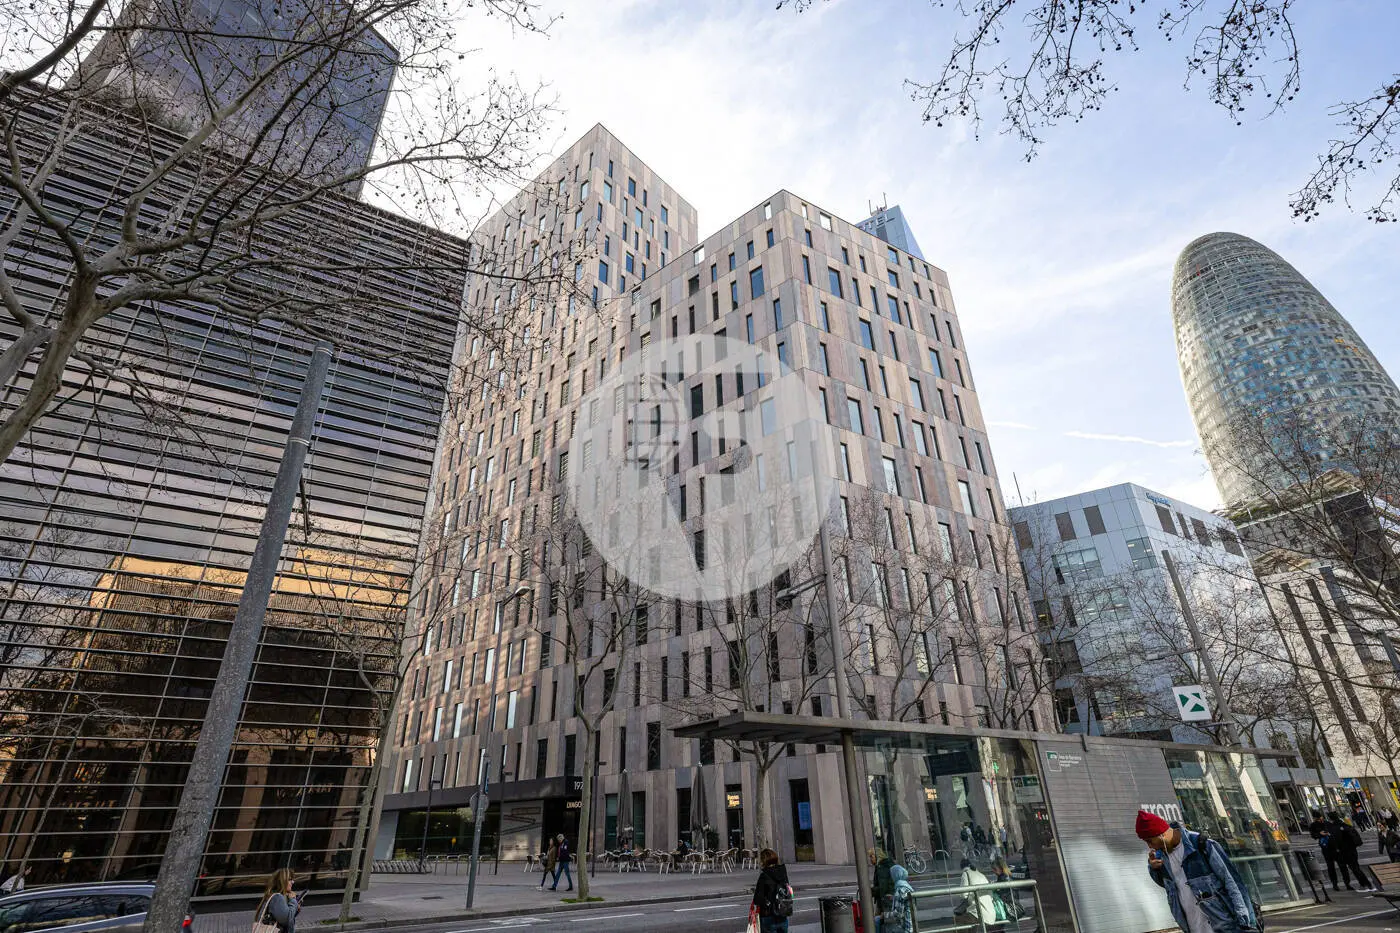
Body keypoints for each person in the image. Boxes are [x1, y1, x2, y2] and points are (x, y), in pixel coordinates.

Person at [1137, 809, 1258, 933]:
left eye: (1149, 841)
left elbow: (1232, 883)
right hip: (1193, 926)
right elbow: (1167, 887)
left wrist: (1245, 921)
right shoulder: (1161, 856)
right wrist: (1154, 869)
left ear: (1161, 834)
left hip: (1224, 926)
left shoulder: (1201, 844)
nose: (1150, 846)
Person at [1326, 812, 1372, 892]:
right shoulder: (1345, 825)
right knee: (1355, 868)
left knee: (1349, 869)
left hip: (1343, 852)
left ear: (1330, 819)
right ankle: (1366, 884)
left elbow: (1334, 841)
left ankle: (1363, 884)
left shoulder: (1334, 828)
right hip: (1352, 850)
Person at [750, 848, 791, 933]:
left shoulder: (764, 876)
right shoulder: (783, 873)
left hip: (768, 916)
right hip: (783, 914)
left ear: (764, 861)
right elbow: (787, 890)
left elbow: (758, 899)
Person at [952, 858, 999, 926]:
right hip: (991, 914)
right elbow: (991, 896)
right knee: (969, 920)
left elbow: (964, 895)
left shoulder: (966, 873)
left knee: (957, 920)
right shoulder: (981, 875)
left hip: (978, 913)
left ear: (962, 867)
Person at [260, 869, 302, 933]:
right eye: (290, 879)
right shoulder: (277, 898)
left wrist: (296, 908)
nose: (293, 882)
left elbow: (283, 918)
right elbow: (287, 920)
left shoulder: (278, 896)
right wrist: (293, 900)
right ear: (282, 881)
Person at [879, 864, 916, 933]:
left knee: (877, 921)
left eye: (892, 875)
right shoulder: (906, 886)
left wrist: (884, 915)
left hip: (906, 928)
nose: (891, 878)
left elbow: (898, 914)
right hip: (911, 925)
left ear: (895, 876)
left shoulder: (899, 890)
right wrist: (894, 897)